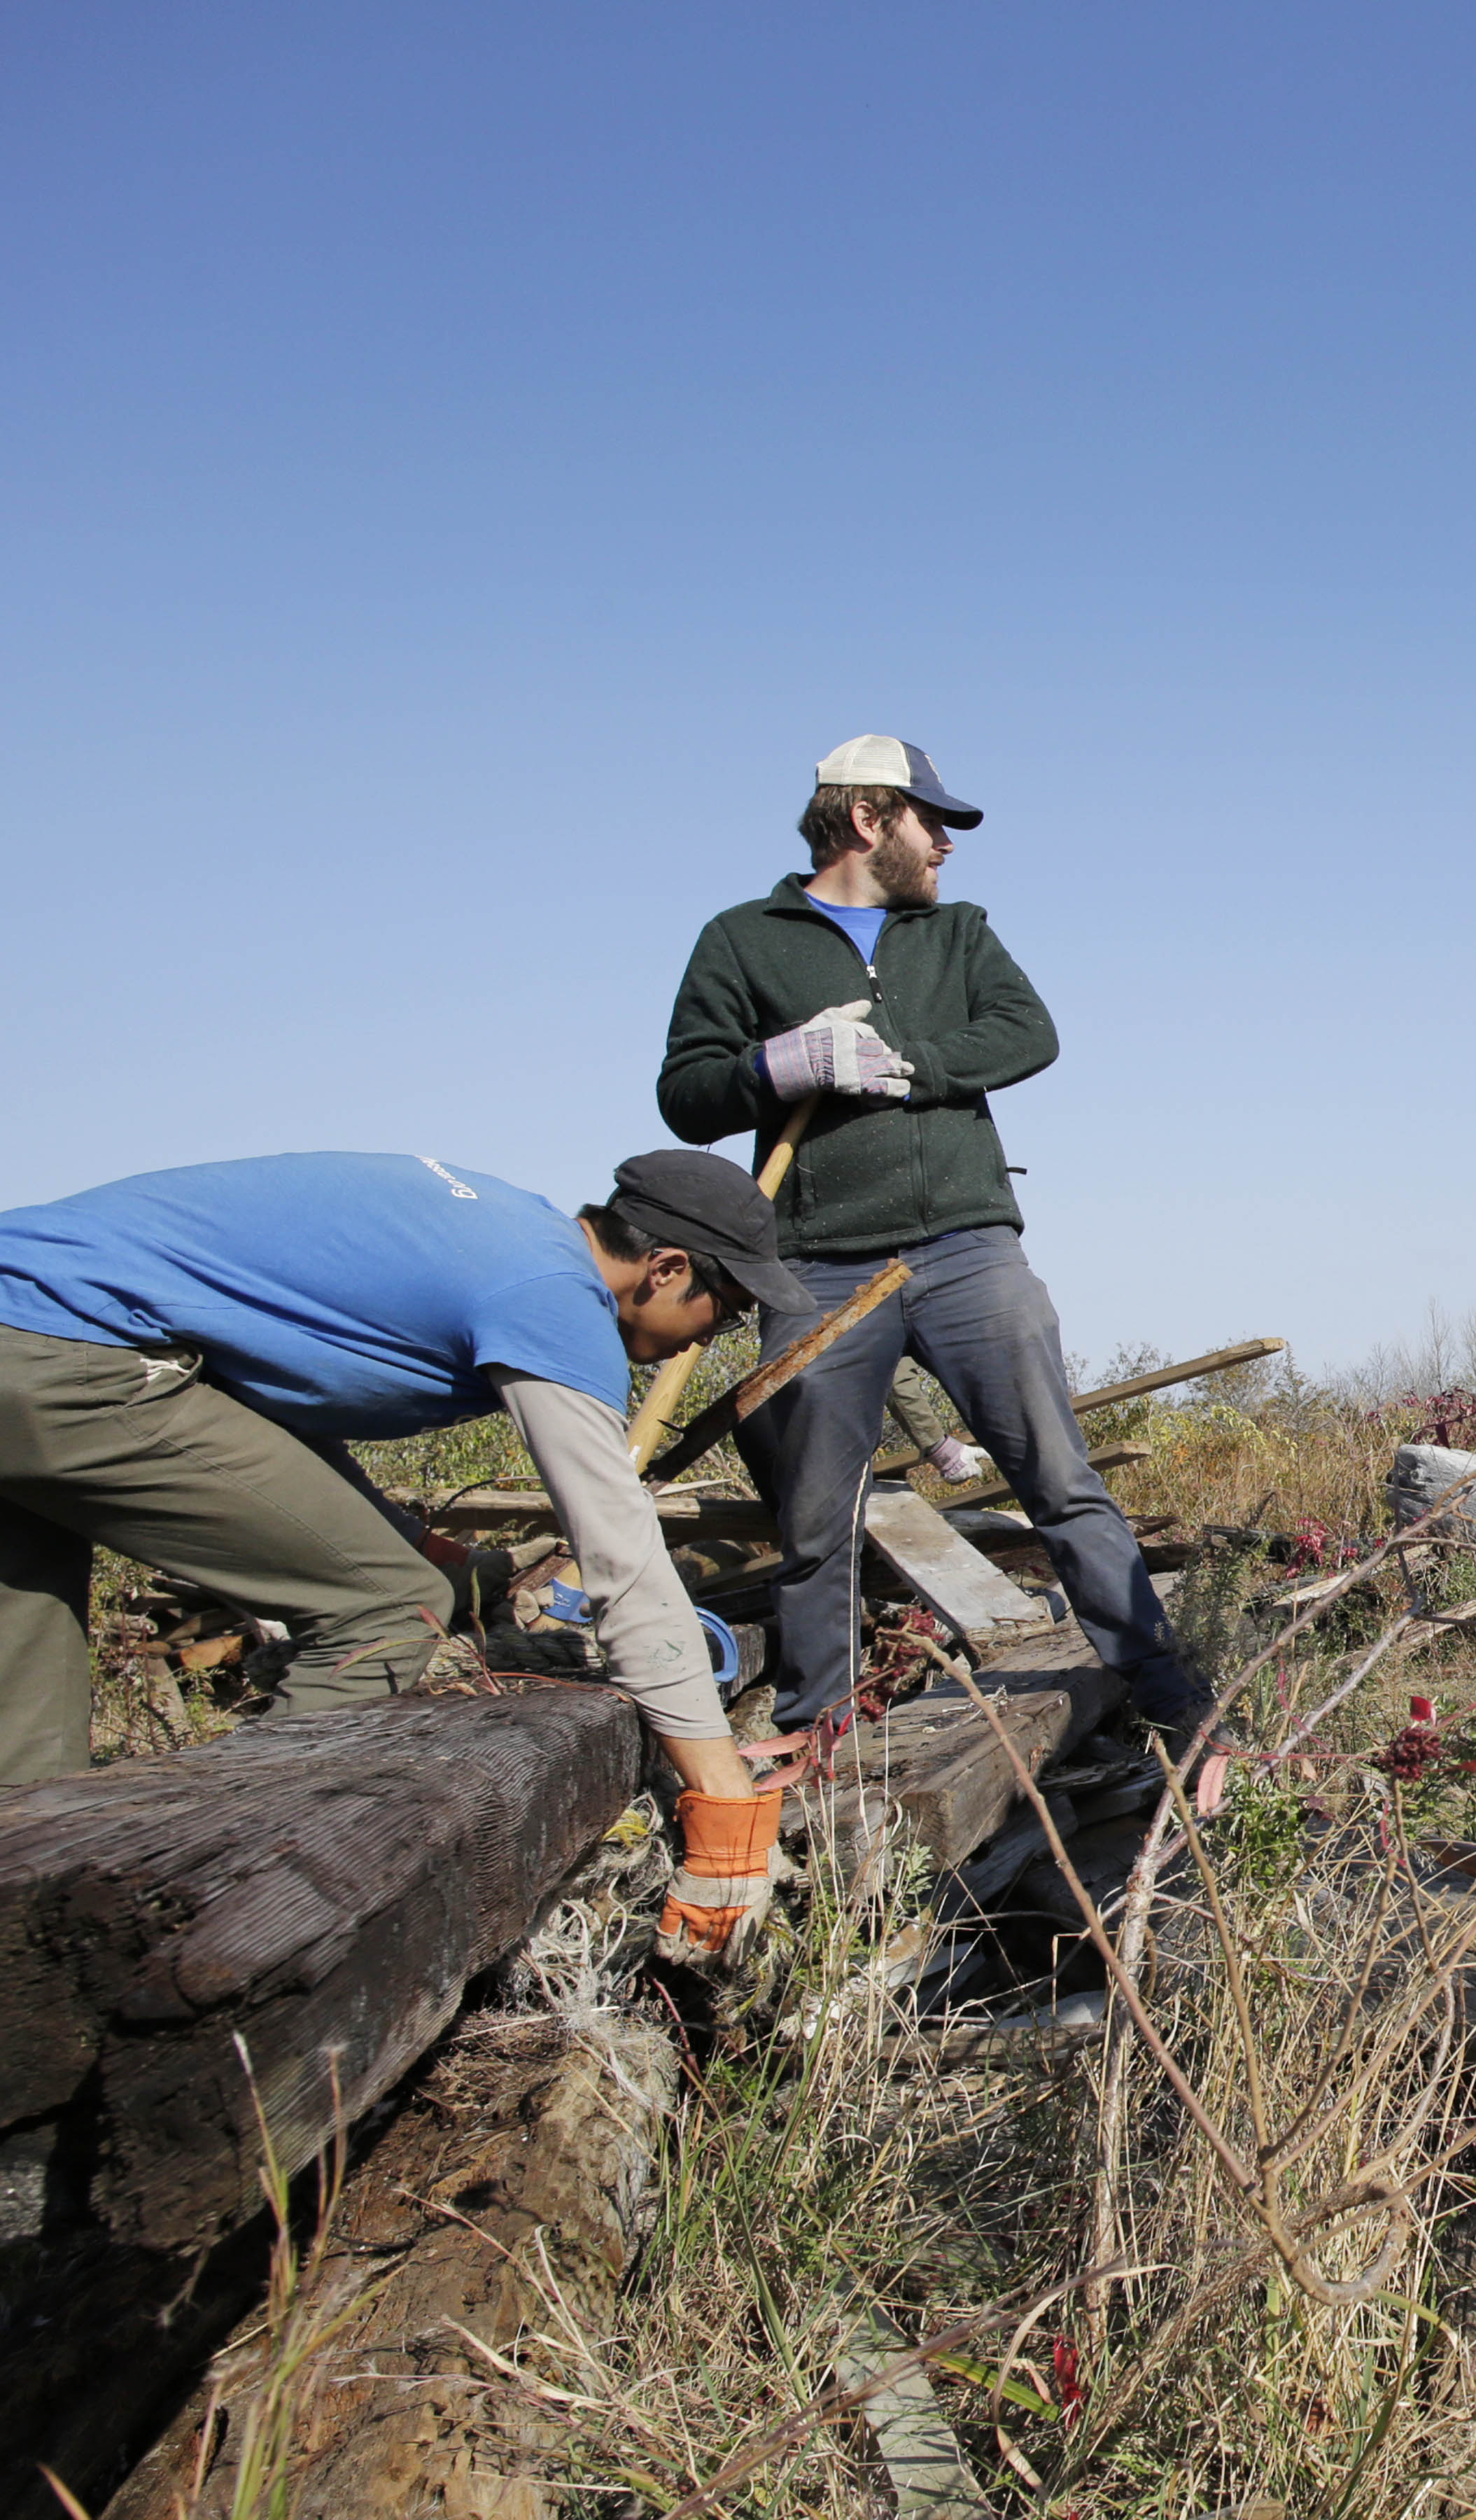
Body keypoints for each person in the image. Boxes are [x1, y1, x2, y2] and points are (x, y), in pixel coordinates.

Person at [0, 1149, 806, 1960]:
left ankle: (25, 1922)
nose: (710, 1338)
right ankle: (195, 1916)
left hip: (28, 1327)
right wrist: (726, 1808)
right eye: (727, 1310)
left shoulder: (509, 1230)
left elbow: (266, 1404)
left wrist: (421, 1545)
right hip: (65, 1352)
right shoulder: (554, 1300)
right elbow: (622, 1561)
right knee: (386, 1610)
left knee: (24, 1722)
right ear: (666, 1269)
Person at [656, 736, 1207, 1760]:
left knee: (1059, 1478)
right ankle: (815, 1736)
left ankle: (1171, 1703)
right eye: (931, 819)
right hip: (817, 1263)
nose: (947, 842)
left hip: (968, 1251)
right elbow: (686, 1093)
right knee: (818, 1518)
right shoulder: (742, 940)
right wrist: (777, 1065)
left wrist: (910, 1067)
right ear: (869, 819)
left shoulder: (957, 934)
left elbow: (1026, 1033)